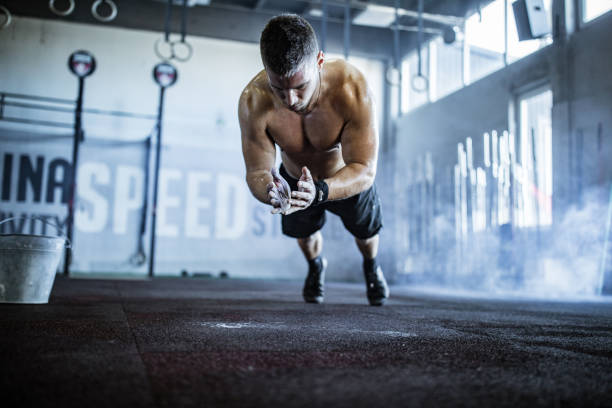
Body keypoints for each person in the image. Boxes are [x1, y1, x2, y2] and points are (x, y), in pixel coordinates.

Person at [238, 13, 389, 306]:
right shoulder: (253, 100)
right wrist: (269, 191)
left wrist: (320, 191)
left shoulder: (351, 88)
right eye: (279, 89)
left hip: (345, 176)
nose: (290, 99)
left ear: (319, 61)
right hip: (294, 179)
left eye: (300, 87)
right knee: (306, 238)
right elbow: (257, 170)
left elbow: (365, 169)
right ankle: (316, 266)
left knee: (366, 234)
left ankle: (371, 267)